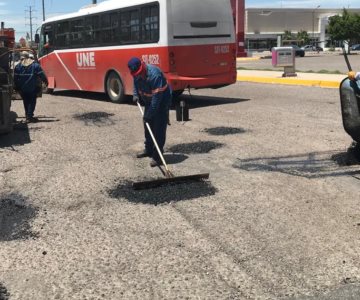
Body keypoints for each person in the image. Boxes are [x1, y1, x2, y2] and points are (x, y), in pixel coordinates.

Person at [127, 57, 172, 167]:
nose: (138, 75)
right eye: (136, 74)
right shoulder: (136, 74)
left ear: (143, 66)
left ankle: (157, 157)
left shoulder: (154, 75)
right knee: (148, 126)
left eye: (140, 73)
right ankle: (149, 150)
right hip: (149, 101)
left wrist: (149, 114)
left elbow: (156, 100)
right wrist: (136, 95)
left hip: (161, 102)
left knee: (158, 129)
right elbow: (135, 83)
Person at [14, 51, 48, 123]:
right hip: (33, 88)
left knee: (26, 102)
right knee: (32, 102)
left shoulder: (18, 66)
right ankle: (29, 117)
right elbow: (42, 75)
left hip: (22, 88)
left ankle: (28, 116)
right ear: (28, 57)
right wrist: (46, 81)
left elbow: (15, 78)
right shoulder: (35, 65)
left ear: (21, 58)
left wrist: (16, 87)